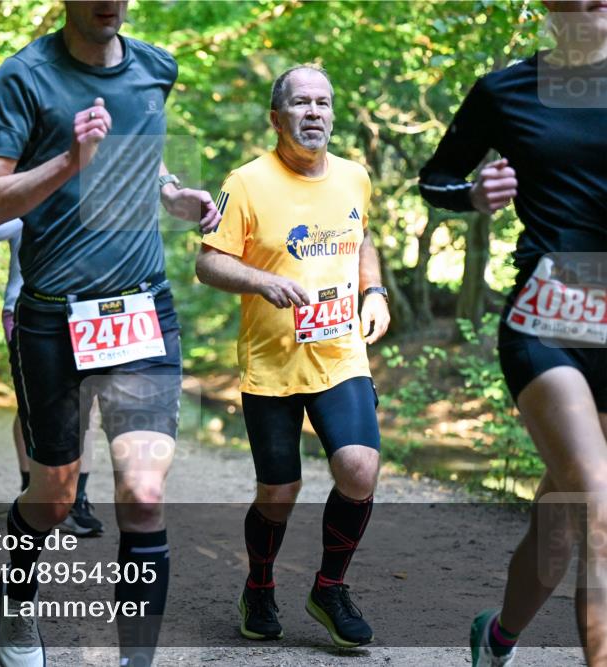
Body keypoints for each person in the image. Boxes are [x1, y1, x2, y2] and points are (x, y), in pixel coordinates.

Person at [0, 1, 219, 664]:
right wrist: (68, 162)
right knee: (53, 499)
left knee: (142, 494)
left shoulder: (155, 69)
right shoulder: (22, 78)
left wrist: (175, 197)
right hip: (53, 316)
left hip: (141, 312)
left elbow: (146, 164)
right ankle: (18, 610)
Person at [419, 3, 607, 665]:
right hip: (549, 310)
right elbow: (436, 175)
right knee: (600, 502)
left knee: (562, 518)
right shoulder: (507, 90)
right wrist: (473, 194)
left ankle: (495, 636)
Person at [196, 65, 391, 648]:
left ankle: (329, 588)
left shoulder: (355, 177)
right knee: (279, 493)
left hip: (339, 354)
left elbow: (364, 240)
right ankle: (259, 587)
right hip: (272, 363)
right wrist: (261, 281)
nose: (314, 113)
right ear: (277, 118)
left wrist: (374, 291)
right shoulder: (248, 182)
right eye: (301, 103)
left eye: (323, 103)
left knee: (359, 469)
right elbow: (208, 263)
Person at [0, 217, 104, 537]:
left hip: (89, 313)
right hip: (24, 309)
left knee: (88, 404)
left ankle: (76, 500)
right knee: (33, 406)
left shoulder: (100, 199)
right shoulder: (33, 190)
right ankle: (33, 488)